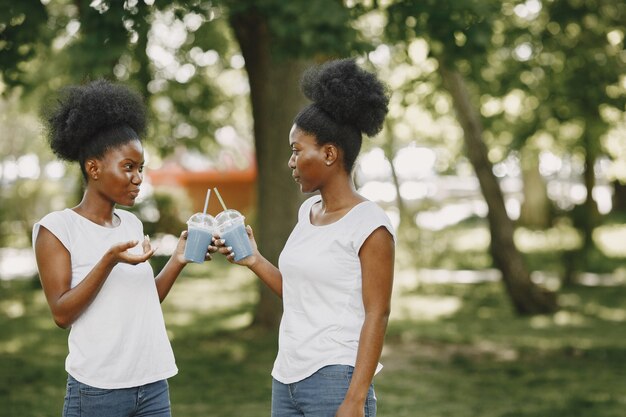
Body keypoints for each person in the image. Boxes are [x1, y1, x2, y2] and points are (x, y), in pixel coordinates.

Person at [217, 58, 395, 417]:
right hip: (286, 377)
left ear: (329, 154)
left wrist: (355, 399)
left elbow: (378, 313)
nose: (291, 162)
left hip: (335, 380)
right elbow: (301, 292)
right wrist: (253, 258)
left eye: (297, 150)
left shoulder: (370, 225)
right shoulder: (308, 213)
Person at [33, 79, 211, 417]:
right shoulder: (57, 229)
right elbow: (62, 313)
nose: (138, 178)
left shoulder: (131, 224)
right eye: (128, 167)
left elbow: (142, 300)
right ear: (94, 168)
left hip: (153, 384)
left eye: (140, 168)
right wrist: (109, 260)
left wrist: (177, 260)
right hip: (98, 390)